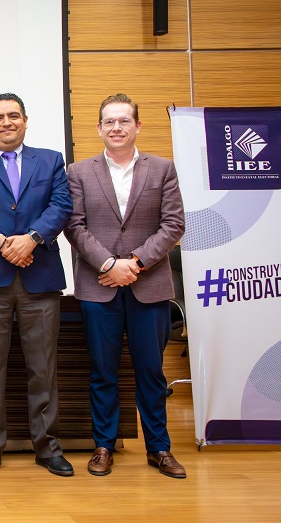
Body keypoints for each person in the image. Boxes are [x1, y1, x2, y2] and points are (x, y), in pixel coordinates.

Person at [64, 93, 186, 478]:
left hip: (149, 287)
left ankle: (160, 448)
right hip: (98, 286)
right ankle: (104, 445)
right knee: (103, 370)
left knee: (151, 370)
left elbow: (173, 225)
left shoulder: (163, 169)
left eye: (123, 121)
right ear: (98, 128)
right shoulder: (78, 172)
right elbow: (74, 227)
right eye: (109, 122)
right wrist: (107, 264)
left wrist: (132, 263)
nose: (116, 127)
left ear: (137, 126)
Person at [0, 92, 74, 477]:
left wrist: (32, 237)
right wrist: (4, 242)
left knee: (43, 368)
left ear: (25, 120)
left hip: (40, 276)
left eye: (13, 115)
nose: (6, 122)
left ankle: (47, 446)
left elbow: (61, 204)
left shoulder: (52, 160)